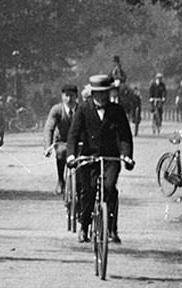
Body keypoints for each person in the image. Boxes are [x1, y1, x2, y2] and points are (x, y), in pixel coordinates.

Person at [69, 74, 135, 244]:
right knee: (88, 191)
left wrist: (126, 156)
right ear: (93, 94)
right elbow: (73, 135)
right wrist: (71, 155)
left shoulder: (117, 110)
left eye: (105, 92)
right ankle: (84, 226)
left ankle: (112, 228)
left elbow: (125, 137)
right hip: (89, 157)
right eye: (99, 93)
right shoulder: (83, 109)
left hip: (110, 158)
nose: (103, 96)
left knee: (109, 187)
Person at [46, 85, 80, 194]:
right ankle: (61, 180)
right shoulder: (57, 110)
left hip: (78, 142)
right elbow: (49, 128)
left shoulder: (82, 109)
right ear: (62, 96)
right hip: (62, 141)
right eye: (66, 96)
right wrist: (48, 146)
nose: (69, 99)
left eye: (72, 96)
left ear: (76, 96)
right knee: (61, 153)